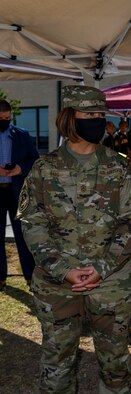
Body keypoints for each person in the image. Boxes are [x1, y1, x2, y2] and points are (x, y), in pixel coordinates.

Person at [17, 85, 131, 393]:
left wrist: (102, 265)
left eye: (101, 114)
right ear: (69, 118)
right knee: (57, 361)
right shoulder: (44, 168)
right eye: (89, 114)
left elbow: (130, 222)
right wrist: (62, 268)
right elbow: (33, 224)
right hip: (56, 284)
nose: (97, 120)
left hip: (111, 282)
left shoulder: (119, 165)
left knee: (115, 360)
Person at [0, 99, 39, 291]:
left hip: (17, 192)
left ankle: (31, 277)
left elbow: (34, 159)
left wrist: (19, 168)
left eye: (7, 118)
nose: (4, 121)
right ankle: (0, 278)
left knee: (24, 236)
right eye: (1, 118)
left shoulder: (22, 135)